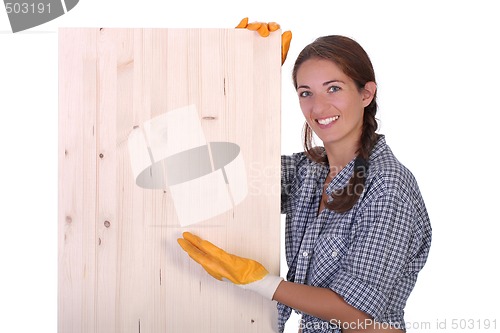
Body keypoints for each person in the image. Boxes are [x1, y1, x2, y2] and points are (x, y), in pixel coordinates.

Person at [178, 30, 432, 333]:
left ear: (366, 93)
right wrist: (246, 71)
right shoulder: (307, 171)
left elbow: (355, 312)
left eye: (333, 88)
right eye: (305, 92)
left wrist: (258, 281)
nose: (318, 107)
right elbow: (223, 169)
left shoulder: (388, 185)